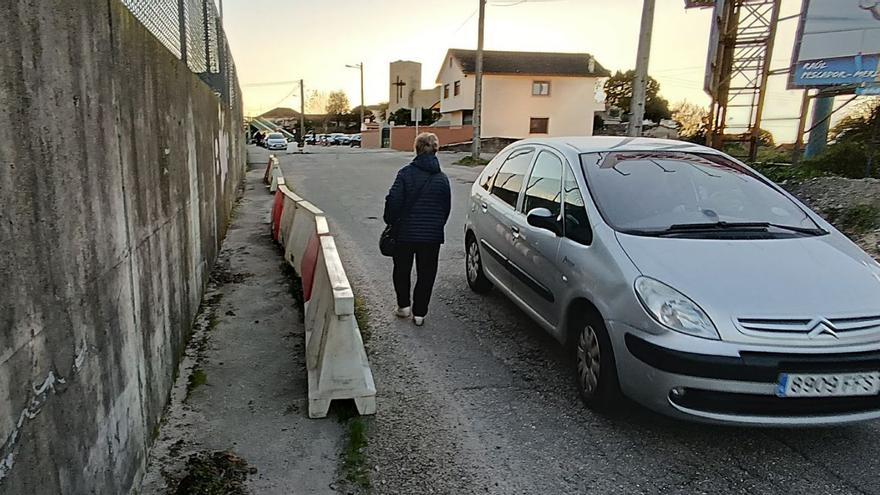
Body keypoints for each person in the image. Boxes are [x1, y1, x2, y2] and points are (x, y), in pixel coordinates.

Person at [383, 132, 451, 326]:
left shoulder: (405, 173)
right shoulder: (442, 179)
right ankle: (420, 313)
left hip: (404, 233)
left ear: (417, 149)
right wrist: (435, 227)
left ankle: (403, 307)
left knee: (402, 269)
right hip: (431, 236)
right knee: (427, 273)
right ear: (436, 150)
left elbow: (393, 200)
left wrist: (390, 220)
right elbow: (445, 209)